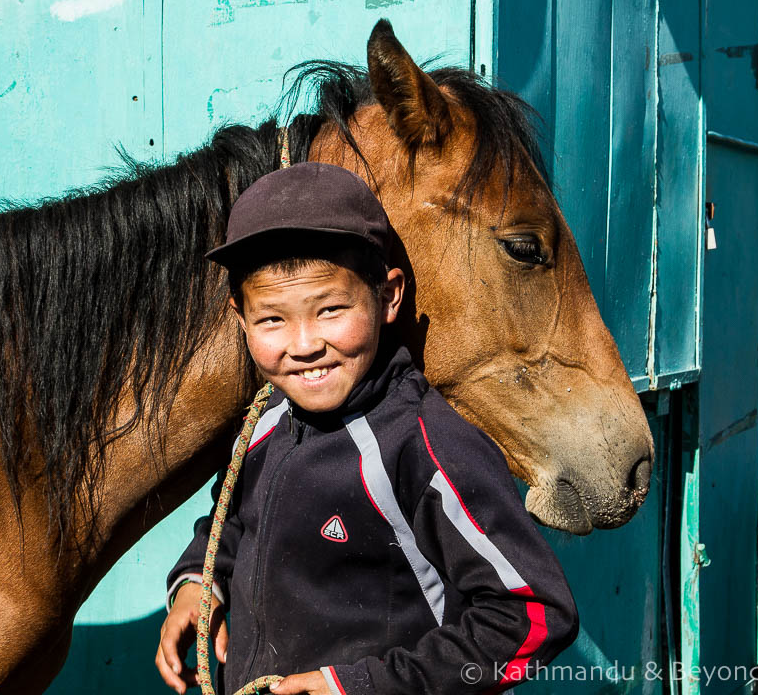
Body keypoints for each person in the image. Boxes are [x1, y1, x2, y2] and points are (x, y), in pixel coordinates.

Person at [154, 162, 579, 695]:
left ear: (388, 297)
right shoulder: (266, 423)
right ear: (241, 319)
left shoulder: (423, 444)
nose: (304, 343)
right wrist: (198, 584)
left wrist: (360, 686)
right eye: (272, 320)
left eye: (330, 310)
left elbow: (535, 615)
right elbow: (231, 523)